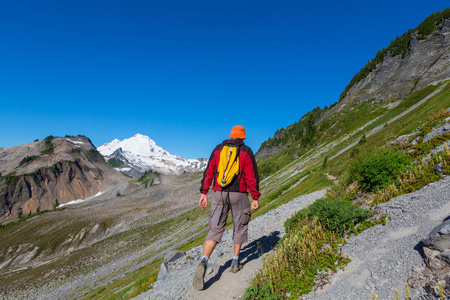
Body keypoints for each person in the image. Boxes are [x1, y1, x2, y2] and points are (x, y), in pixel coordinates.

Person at [192, 125, 260, 291]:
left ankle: (204, 260)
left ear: (230, 135)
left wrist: (203, 193)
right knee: (239, 226)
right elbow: (252, 176)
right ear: (242, 137)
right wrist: (255, 197)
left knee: (215, 230)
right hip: (239, 194)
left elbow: (209, 172)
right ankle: (235, 262)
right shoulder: (246, 151)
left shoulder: (218, 149)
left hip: (218, 194)